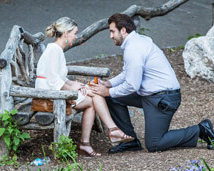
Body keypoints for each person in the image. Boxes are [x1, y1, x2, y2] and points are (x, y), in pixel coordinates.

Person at [91, 13, 214, 154]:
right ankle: (130, 141)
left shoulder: (133, 49)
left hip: (163, 98)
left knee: (155, 144)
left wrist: (107, 91)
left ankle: (200, 129)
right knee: (111, 97)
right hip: (152, 94)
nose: (111, 36)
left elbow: (132, 86)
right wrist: (109, 84)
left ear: (123, 30)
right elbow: (127, 72)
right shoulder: (136, 42)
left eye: (112, 31)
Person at [35, 17, 133, 157]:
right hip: (48, 96)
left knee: (92, 95)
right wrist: (73, 89)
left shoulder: (57, 50)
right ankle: (107, 133)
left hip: (54, 92)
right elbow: (52, 80)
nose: (76, 36)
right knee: (94, 97)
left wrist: (76, 85)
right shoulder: (54, 50)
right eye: (74, 33)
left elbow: (59, 78)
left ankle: (94, 139)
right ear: (66, 33)